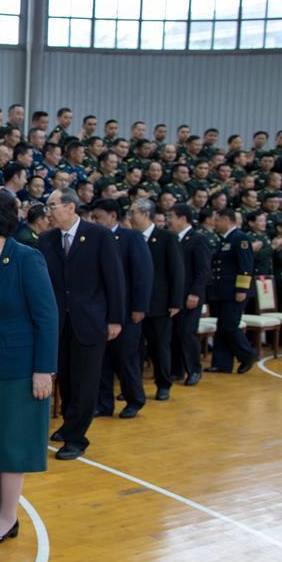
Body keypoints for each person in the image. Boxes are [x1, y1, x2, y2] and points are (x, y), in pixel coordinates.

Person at [0, 191, 57, 544]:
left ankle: (8, 517)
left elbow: (46, 318)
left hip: (20, 371)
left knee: (14, 445)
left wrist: (44, 369)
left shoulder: (26, 259)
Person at [39, 188, 124, 459]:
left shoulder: (99, 236)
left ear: (70, 207)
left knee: (85, 382)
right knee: (65, 378)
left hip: (91, 322)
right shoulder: (46, 240)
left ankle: (77, 438)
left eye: (52, 206)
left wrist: (115, 319)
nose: (48, 212)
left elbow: (114, 279)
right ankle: (69, 424)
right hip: (59, 324)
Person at [90, 199, 153, 419]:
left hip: (127, 312)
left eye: (98, 217)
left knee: (126, 359)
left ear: (112, 216)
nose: (94, 221)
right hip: (101, 311)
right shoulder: (94, 238)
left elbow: (142, 275)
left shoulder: (130, 237)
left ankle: (134, 399)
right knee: (103, 360)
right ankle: (104, 403)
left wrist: (139, 307)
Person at [129, 198, 183, 400]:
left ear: (145, 214)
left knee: (159, 346)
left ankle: (163, 384)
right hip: (134, 303)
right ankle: (133, 388)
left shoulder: (166, 238)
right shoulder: (131, 237)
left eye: (133, 212)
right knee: (133, 349)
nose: (130, 216)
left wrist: (176, 301)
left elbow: (176, 271)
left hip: (159, 303)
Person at [167, 204, 212, 386]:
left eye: (171, 217)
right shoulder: (172, 239)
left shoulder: (198, 239)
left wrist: (195, 293)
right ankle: (176, 371)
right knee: (174, 334)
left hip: (190, 296)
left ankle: (194, 370)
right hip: (174, 296)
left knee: (187, 333)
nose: (169, 221)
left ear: (183, 219)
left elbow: (203, 271)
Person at [207, 207, 256, 374]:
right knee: (222, 327)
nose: (215, 223)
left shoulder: (240, 238)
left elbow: (245, 266)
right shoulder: (225, 239)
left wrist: (242, 289)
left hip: (235, 292)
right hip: (223, 291)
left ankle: (247, 354)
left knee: (229, 326)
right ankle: (222, 363)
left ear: (226, 220)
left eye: (217, 220)